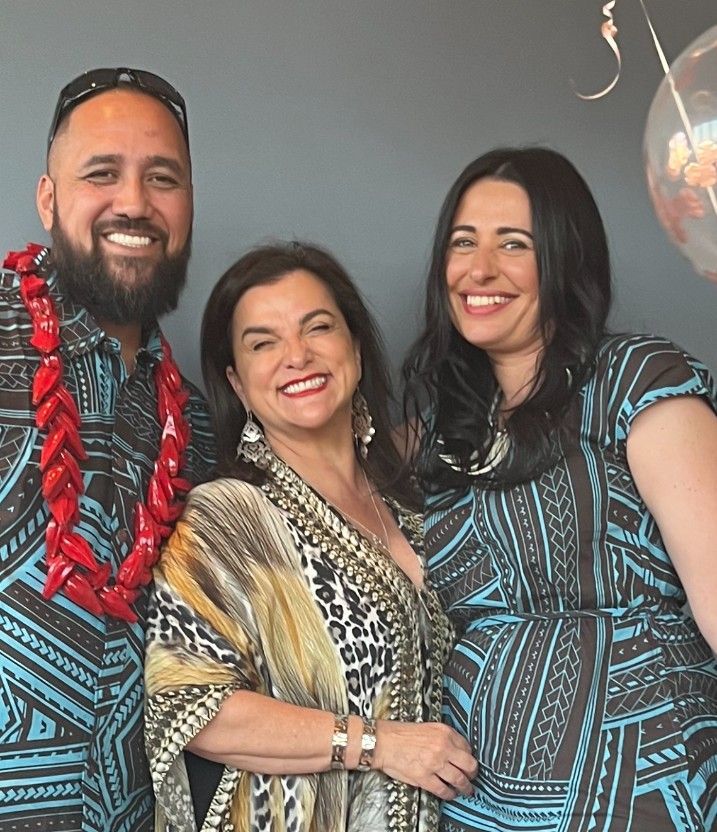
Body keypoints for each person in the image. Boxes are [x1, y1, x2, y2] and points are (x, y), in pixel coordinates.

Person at [403, 147, 717, 831]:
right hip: (480, 805)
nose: (478, 270)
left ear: (563, 258)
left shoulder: (636, 379)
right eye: (462, 244)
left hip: (644, 788)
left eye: (512, 244)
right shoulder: (441, 432)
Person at [144, 241, 477, 831]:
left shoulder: (419, 505)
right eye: (262, 343)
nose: (295, 356)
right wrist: (378, 744)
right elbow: (192, 710)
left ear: (355, 347)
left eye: (317, 327)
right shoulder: (230, 519)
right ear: (238, 384)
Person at [0, 68, 215, 831]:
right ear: (48, 199)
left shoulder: (197, 428)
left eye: (162, 178)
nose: (134, 203)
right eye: (102, 173)